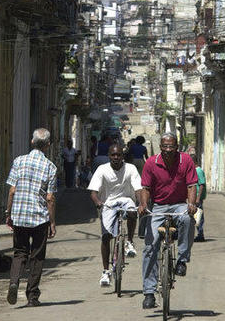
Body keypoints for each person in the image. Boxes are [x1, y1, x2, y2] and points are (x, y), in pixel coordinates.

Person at [139, 132, 198, 310]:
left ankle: (182, 260)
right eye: (164, 146)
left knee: (188, 219)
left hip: (180, 204)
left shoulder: (186, 160)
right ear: (160, 147)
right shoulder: (151, 162)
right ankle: (149, 293)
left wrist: (191, 204)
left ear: (177, 146)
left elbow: (191, 186)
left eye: (171, 146)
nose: (168, 150)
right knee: (150, 247)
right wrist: (143, 205)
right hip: (158, 206)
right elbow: (146, 188)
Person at [5, 128, 57, 307]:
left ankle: (13, 282)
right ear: (48, 145)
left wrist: (8, 213)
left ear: (32, 142)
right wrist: (52, 222)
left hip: (19, 215)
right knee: (37, 256)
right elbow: (49, 198)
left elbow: (12, 190)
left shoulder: (19, 161)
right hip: (39, 218)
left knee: (19, 253)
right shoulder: (50, 167)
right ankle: (32, 296)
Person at [88, 144, 142, 287]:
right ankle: (105, 271)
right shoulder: (102, 169)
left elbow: (138, 189)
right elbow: (93, 191)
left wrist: (141, 203)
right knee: (106, 236)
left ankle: (129, 242)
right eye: (113, 155)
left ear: (123, 156)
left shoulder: (130, 168)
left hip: (126, 200)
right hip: (108, 203)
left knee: (132, 212)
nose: (116, 158)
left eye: (119, 155)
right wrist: (98, 202)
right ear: (109, 156)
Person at [190, 154, 206, 242]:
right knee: (194, 216)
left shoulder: (198, 171)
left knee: (199, 216)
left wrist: (197, 198)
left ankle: (200, 235)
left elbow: (201, 185)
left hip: (197, 198)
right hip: (194, 197)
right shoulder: (194, 170)